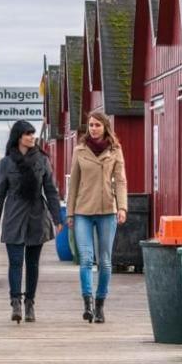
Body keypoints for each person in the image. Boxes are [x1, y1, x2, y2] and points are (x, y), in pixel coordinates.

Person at [0, 120, 62, 323]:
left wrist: (58, 218)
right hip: (13, 215)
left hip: (37, 216)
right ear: (18, 137)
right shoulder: (6, 163)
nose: (32, 137)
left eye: (33, 133)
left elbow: (51, 190)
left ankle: (30, 303)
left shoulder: (42, 160)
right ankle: (15, 303)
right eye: (27, 134)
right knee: (15, 262)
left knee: (32, 263)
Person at [66, 109, 128, 323]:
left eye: (97, 125)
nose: (93, 129)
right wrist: (70, 212)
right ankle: (88, 302)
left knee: (105, 261)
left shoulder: (115, 150)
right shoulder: (79, 150)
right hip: (83, 210)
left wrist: (122, 208)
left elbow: (120, 181)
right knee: (85, 258)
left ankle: (101, 303)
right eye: (90, 125)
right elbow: (73, 182)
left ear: (105, 127)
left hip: (107, 210)